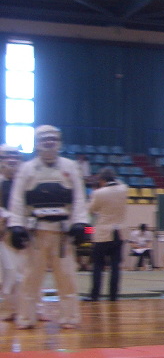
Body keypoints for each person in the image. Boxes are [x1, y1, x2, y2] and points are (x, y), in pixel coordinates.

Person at [8, 125, 89, 329]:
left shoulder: (70, 167)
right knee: (30, 278)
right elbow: (17, 199)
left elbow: (79, 197)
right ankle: (26, 318)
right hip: (35, 232)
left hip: (63, 233)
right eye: (44, 139)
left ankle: (69, 318)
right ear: (37, 143)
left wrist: (81, 223)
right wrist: (16, 225)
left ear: (59, 142)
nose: (49, 142)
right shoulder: (26, 168)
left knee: (67, 278)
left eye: (53, 139)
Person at [86, 167, 128, 301]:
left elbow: (90, 210)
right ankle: (113, 295)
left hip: (103, 234)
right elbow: (119, 182)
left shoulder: (99, 193)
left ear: (102, 180)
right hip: (119, 233)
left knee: (98, 266)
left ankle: (95, 295)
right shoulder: (124, 189)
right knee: (115, 266)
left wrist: (95, 191)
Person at [0, 145, 23, 321]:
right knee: (8, 271)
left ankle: (29, 309)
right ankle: (9, 309)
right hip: (4, 233)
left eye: (15, 157)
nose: (11, 161)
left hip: (22, 232)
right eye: (8, 157)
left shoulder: (24, 181)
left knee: (25, 272)